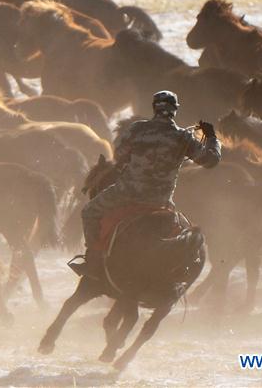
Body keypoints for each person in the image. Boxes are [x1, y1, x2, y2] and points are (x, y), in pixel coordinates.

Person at [72, 90, 221, 279]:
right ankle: (186, 266)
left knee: (89, 212)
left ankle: (92, 261)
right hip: (162, 200)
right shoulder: (184, 137)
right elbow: (211, 161)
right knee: (184, 228)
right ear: (175, 110)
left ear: (154, 108)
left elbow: (119, 155)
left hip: (126, 193)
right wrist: (212, 137)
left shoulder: (137, 129)